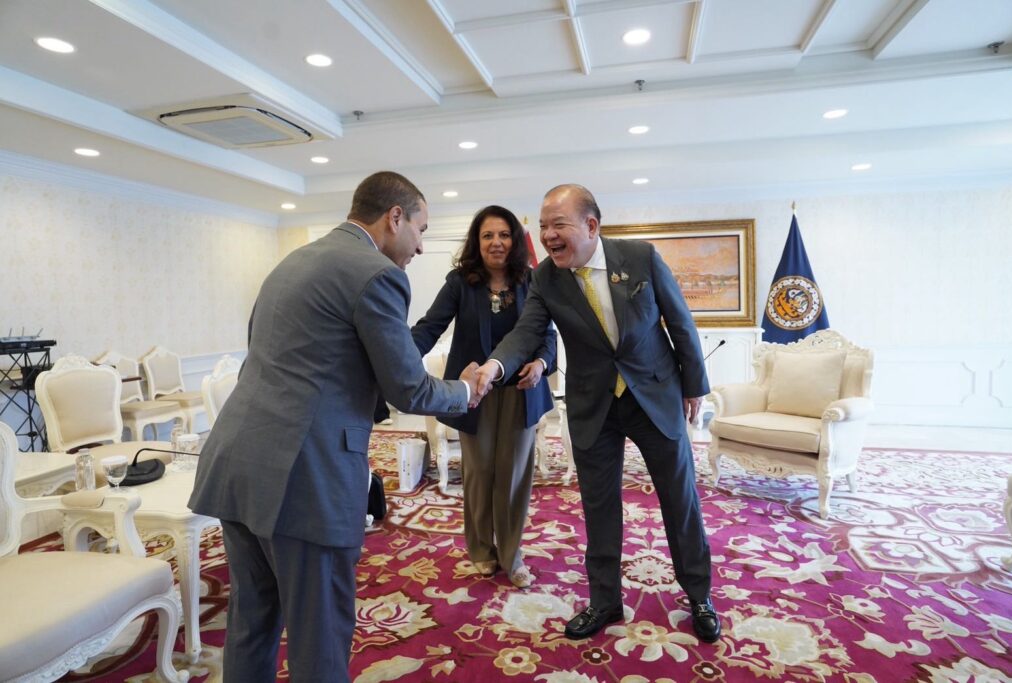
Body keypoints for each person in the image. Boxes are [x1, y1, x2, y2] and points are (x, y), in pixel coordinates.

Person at [188, 171, 480, 683]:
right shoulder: (378, 273)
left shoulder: (291, 262)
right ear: (395, 217)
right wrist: (465, 390)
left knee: (252, 623)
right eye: (421, 229)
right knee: (319, 634)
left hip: (235, 462)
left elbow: (278, 358)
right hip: (304, 477)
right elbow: (408, 390)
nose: (420, 245)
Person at [473, 184, 720, 643]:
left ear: (591, 225)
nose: (548, 235)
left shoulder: (641, 257)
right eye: (543, 226)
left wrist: (694, 385)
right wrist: (494, 366)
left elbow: (680, 321)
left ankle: (699, 595)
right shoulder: (546, 278)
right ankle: (605, 601)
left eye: (558, 225)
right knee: (599, 506)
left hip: (654, 395)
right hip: (594, 404)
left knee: (679, 499)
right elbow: (526, 332)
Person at [411, 205, 557, 589]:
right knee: (478, 475)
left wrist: (541, 363)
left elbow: (547, 335)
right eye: (488, 235)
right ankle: (480, 550)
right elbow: (430, 327)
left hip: (521, 393)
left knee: (513, 476)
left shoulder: (532, 280)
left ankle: (511, 555)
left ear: (515, 240)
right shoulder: (460, 283)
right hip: (474, 395)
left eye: (504, 235)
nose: (496, 242)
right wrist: (397, 358)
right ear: (477, 242)